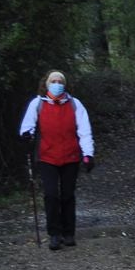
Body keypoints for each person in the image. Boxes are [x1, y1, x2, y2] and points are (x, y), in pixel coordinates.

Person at [18, 70, 94, 250]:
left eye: (60, 81)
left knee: (68, 195)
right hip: (47, 157)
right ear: (46, 83)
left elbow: (84, 130)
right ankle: (54, 233)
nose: (57, 83)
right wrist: (26, 136)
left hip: (71, 156)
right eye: (54, 80)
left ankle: (69, 233)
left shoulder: (75, 104)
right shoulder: (38, 104)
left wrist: (88, 154)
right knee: (51, 195)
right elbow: (26, 127)